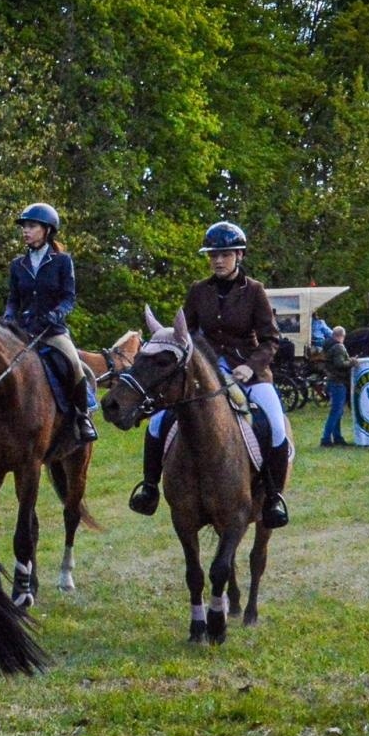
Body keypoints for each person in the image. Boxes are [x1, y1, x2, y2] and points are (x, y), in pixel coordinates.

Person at [128, 221, 290, 529]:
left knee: (275, 423)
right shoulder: (198, 291)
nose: (218, 260)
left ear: (238, 256)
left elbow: (271, 339)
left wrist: (251, 366)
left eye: (224, 254)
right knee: (158, 422)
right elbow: (183, 335)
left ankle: (272, 497)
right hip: (205, 374)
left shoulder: (255, 291)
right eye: (213, 255)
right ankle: (149, 487)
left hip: (247, 373)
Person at [4, 202, 96, 444]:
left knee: (74, 364)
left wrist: (56, 314)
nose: (25, 231)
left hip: (52, 330)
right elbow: (13, 300)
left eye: (31, 226)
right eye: (24, 226)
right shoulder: (17, 265)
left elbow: (69, 298)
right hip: (23, 331)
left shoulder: (62, 261)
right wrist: (8, 316)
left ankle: (82, 416)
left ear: (47, 230)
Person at [319, 326, 352, 447]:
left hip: (332, 381)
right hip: (338, 381)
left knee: (337, 411)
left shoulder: (328, 345)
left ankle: (338, 437)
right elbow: (340, 364)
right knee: (336, 411)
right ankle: (326, 438)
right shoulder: (339, 346)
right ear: (342, 335)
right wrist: (352, 362)